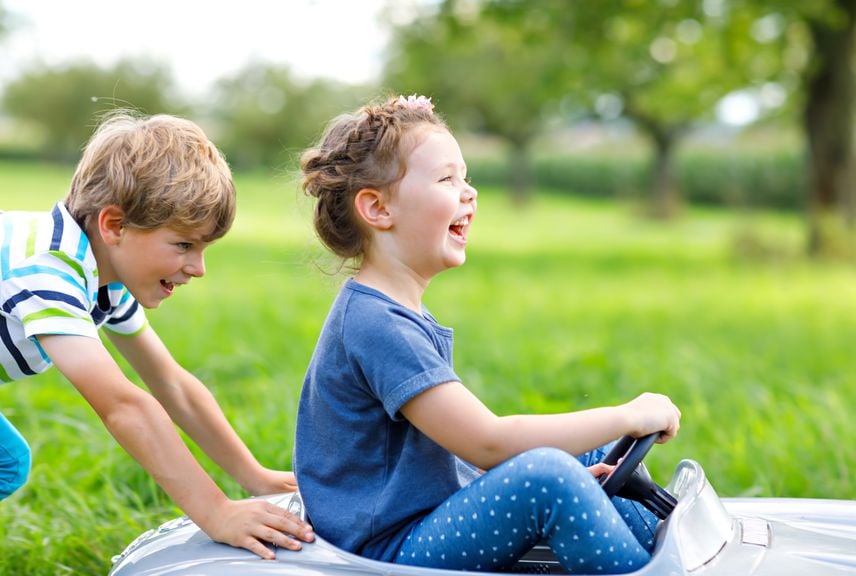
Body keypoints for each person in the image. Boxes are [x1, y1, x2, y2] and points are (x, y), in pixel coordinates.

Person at [294, 94, 682, 574]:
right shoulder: (376, 324)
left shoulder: (391, 311)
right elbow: (487, 441)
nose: (469, 192)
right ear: (377, 208)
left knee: (589, 452)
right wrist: (629, 415)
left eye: (467, 177)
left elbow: (444, 459)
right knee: (547, 477)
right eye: (446, 179)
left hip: (419, 521)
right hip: (387, 551)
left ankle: (664, 558)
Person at [0, 111, 314, 559]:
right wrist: (217, 512)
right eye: (184, 245)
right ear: (114, 226)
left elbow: (171, 384)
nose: (198, 268)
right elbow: (123, 405)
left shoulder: (104, 279)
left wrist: (254, 475)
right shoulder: (45, 268)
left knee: (6, 464)